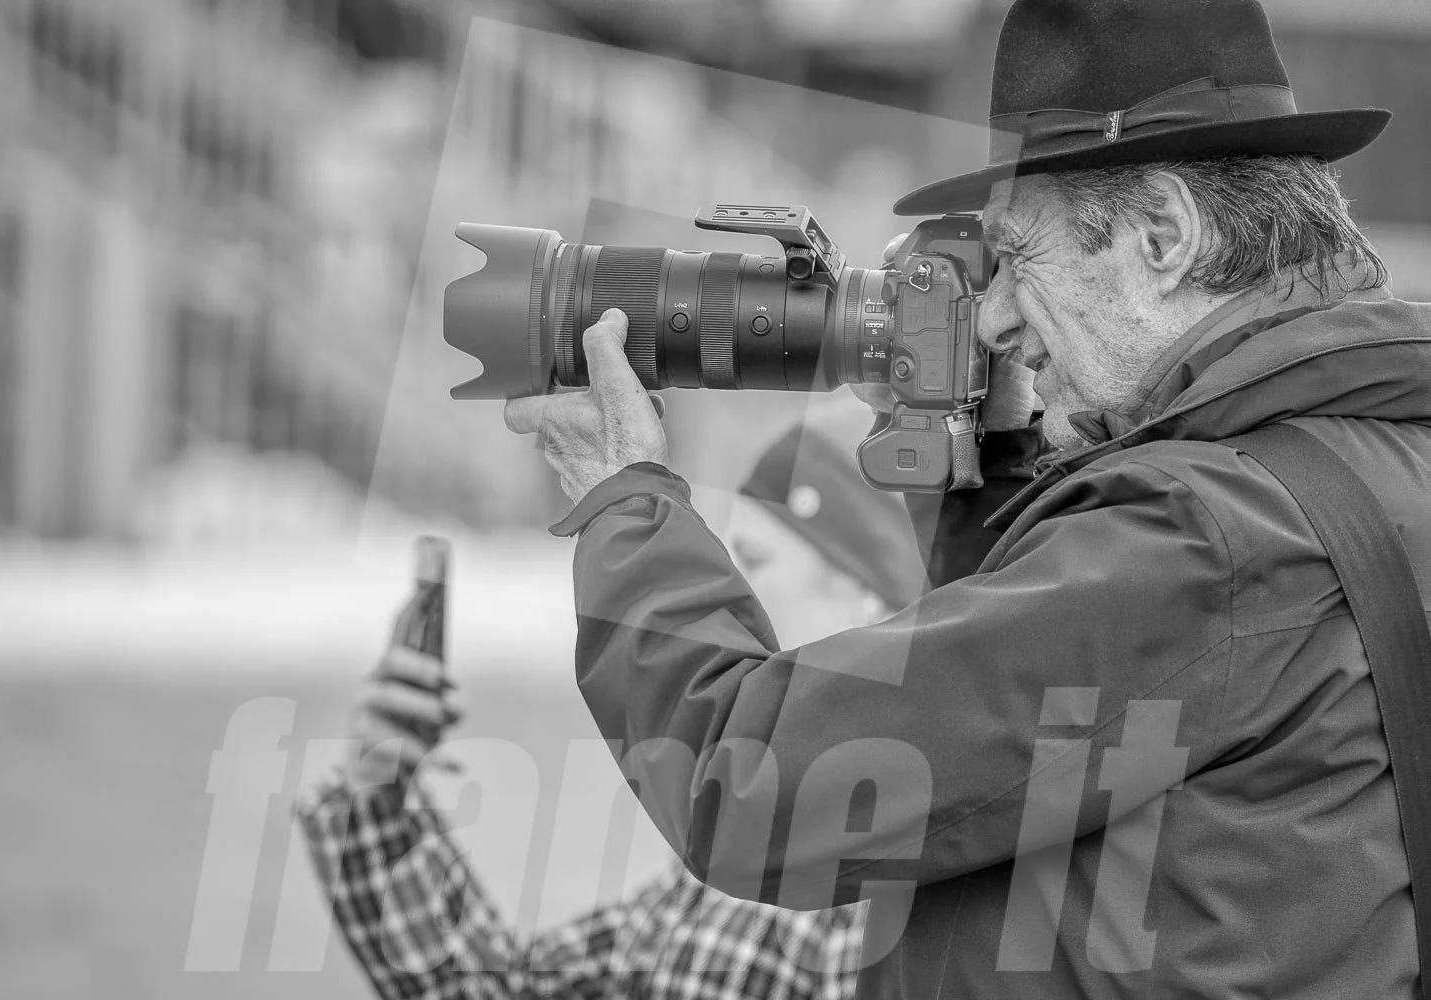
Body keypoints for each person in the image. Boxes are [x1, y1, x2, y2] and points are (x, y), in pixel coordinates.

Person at [499, 1, 1430, 997]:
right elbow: (1071, 727)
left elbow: (751, 782)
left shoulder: (1203, 542)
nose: (990, 318)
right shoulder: (1370, 454)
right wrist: (993, 459)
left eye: (1019, 259)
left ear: (1163, 234)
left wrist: (626, 498)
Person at [296, 421, 1008, 999]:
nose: (729, 593)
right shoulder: (759, 845)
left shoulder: (859, 861)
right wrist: (377, 797)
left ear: (866, 597)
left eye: (751, 564)